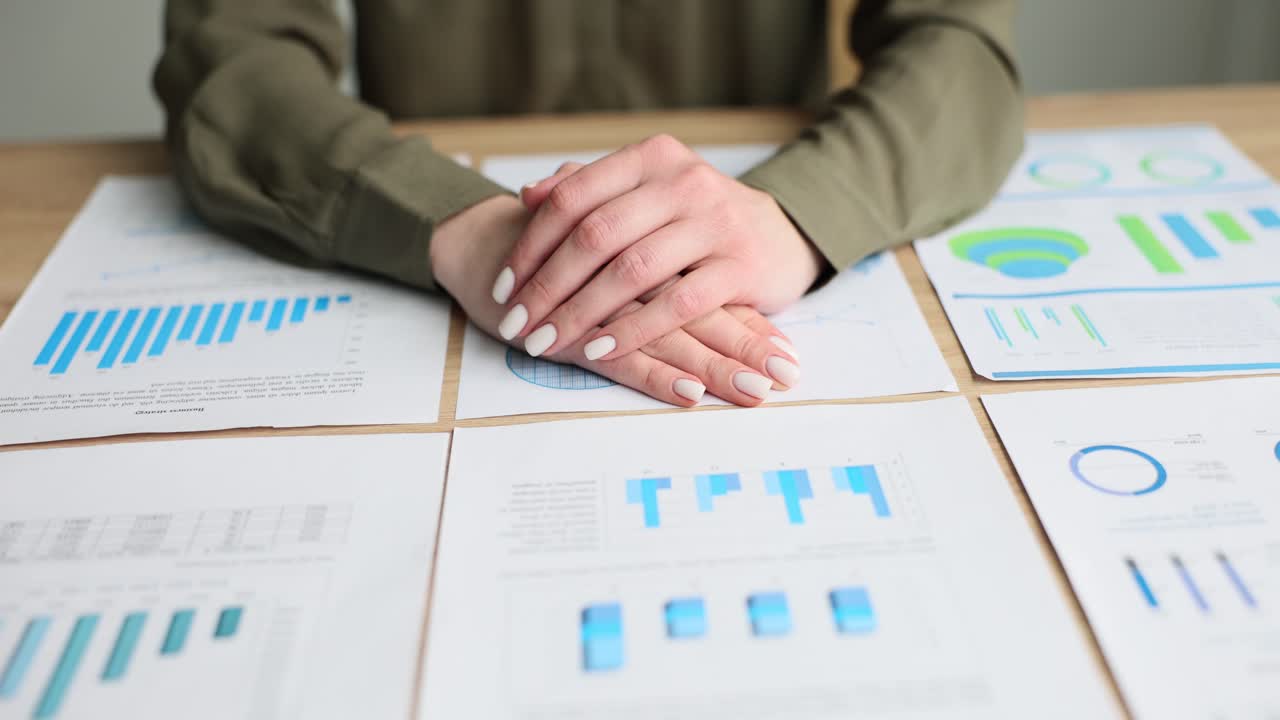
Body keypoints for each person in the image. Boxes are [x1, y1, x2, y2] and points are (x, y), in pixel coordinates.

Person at [153, 0, 1021, 407]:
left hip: (749, 211)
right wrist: (455, 219)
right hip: (459, 219)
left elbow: (961, 42)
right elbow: (231, 56)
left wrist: (798, 214)